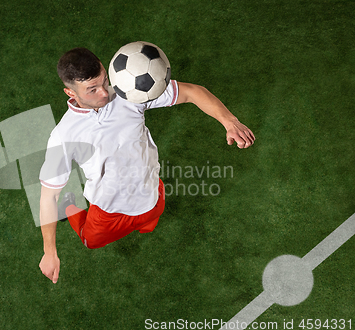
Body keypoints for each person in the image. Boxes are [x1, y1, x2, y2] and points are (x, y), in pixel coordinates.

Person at [38, 47, 255, 283]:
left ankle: (144, 223)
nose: (104, 93)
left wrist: (230, 121)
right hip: (108, 212)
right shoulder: (63, 136)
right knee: (89, 240)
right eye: (92, 89)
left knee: (149, 222)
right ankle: (72, 206)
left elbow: (192, 92)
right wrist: (50, 252)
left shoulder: (129, 91)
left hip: (152, 195)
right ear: (69, 92)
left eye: (104, 81)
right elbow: (48, 197)